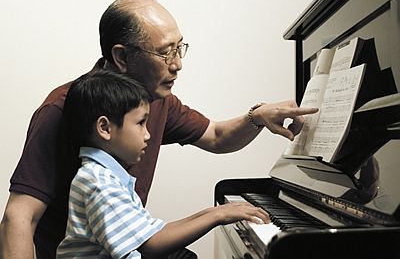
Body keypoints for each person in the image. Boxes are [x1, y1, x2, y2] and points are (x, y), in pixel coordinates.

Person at [0, 0, 318, 258]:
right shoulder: (61, 109)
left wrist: (256, 116)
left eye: (180, 48)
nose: (178, 64)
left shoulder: (157, 98)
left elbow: (218, 137)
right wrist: (217, 215)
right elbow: (19, 218)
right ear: (121, 57)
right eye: (166, 52)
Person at [55, 69, 269, 259]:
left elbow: (152, 231)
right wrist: (218, 215)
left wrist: (216, 212)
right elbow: (152, 244)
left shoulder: (105, 175)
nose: (148, 134)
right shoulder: (98, 183)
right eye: (140, 123)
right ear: (105, 128)